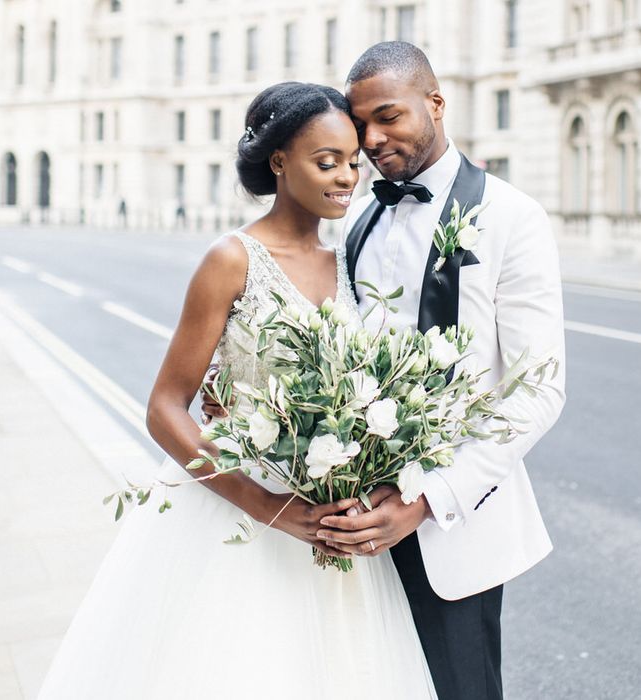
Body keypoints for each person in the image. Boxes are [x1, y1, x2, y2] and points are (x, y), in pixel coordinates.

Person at [38, 82, 437, 700]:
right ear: (280, 161)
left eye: (352, 162)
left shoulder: (351, 261)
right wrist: (266, 506)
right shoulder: (232, 259)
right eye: (326, 162)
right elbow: (165, 407)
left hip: (331, 521)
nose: (347, 178)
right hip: (240, 516)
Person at [206, 42, 567, 700]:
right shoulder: (357, 219)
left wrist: (422, 501)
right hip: (344, 517)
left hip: (452, 527)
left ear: (435, 103)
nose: (371, 140)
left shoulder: (514, 218)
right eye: (360, 124)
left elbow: (537, 391)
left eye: (389, 117)